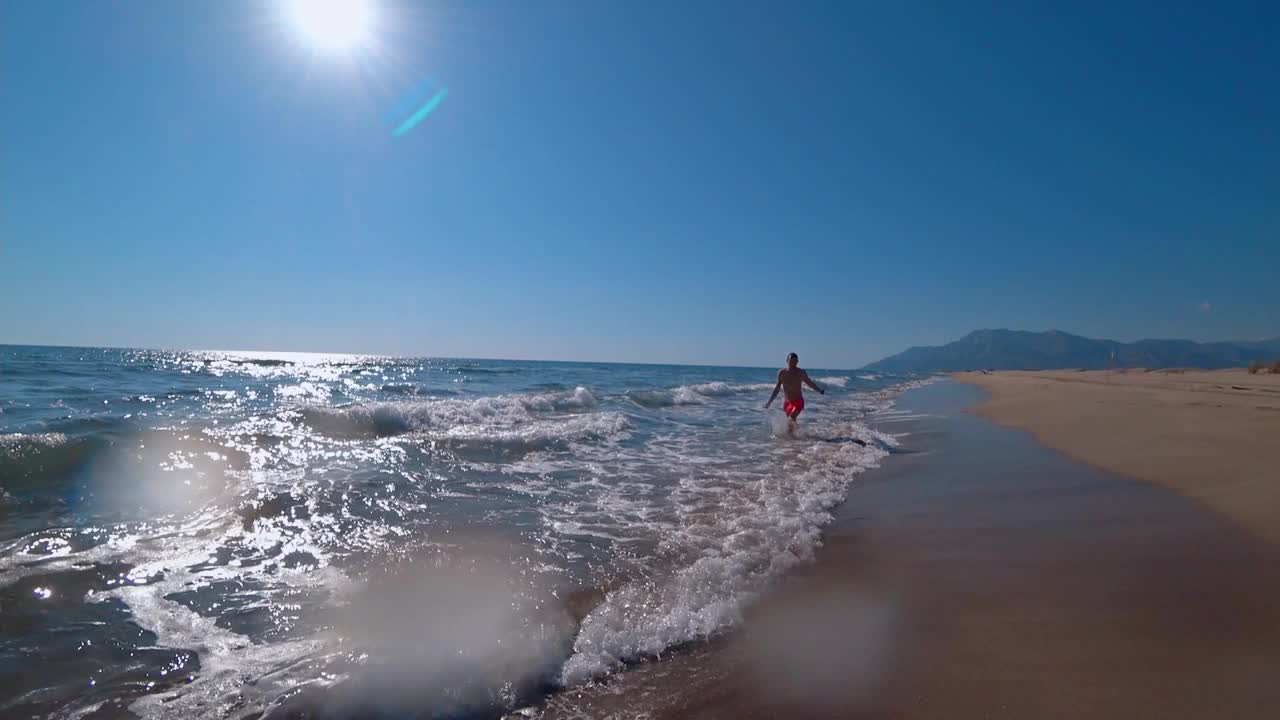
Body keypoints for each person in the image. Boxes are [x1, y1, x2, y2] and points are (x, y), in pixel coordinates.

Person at [763, 352, 824, 434]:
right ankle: (796, 439)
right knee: (790, 423)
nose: (793, 363)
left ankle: (793, 439)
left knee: (791, 418)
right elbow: (777, 388)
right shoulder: (782, 373)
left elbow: (809, 383)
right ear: (787, 361)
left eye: (795, 361)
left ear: (797, 362)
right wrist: (769, 402)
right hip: (787, 403)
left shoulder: (801, 372)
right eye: (791, 361)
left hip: (798, 401)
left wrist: (819, 390)